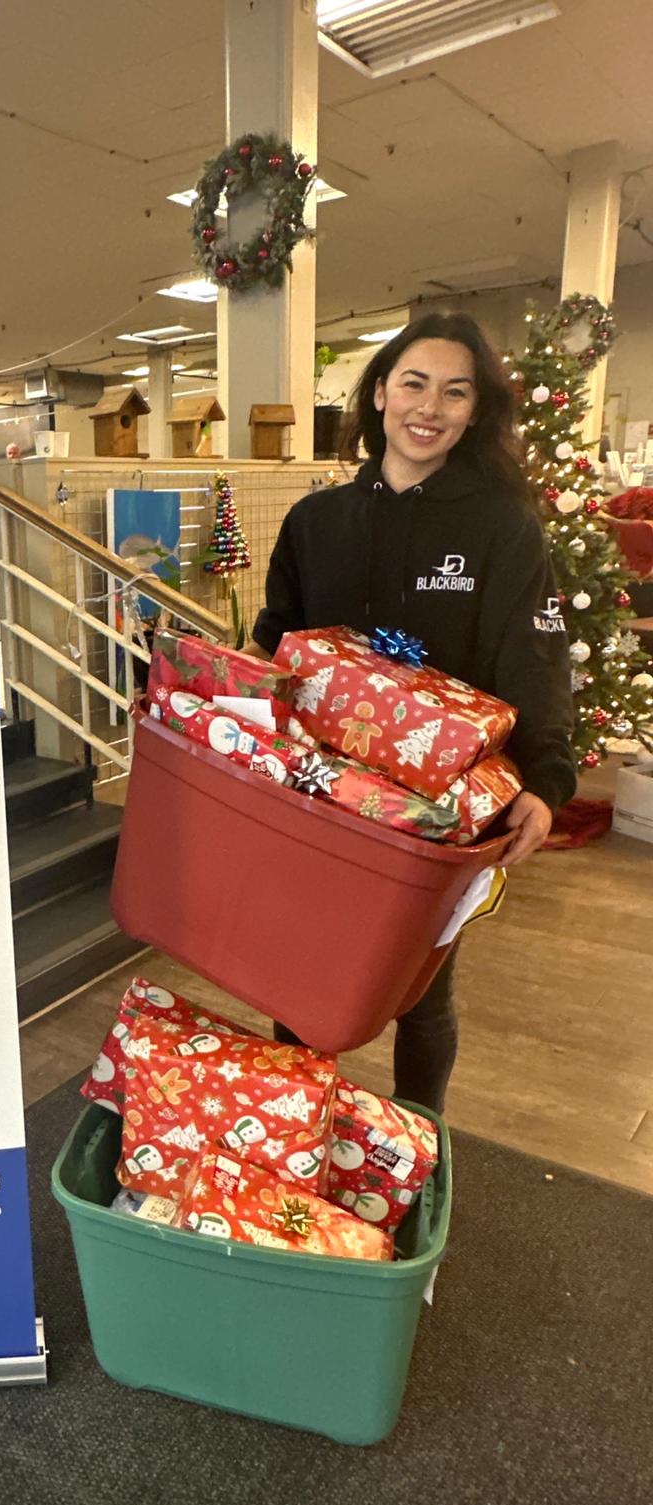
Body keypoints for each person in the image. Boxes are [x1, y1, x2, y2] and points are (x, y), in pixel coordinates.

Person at [248, 312, 576, 1115]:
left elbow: (530, 655)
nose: (429, 408)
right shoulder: (316, 521)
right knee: (303, 971)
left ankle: (417, 1140)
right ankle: (300, 1125)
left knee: (421, 991)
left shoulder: (501, 526)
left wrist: (549, 777)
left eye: (455, 392)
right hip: (320, 793)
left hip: (437, 811)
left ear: (476, 411)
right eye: (414, 383)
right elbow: (275, 649)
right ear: (382, 392)